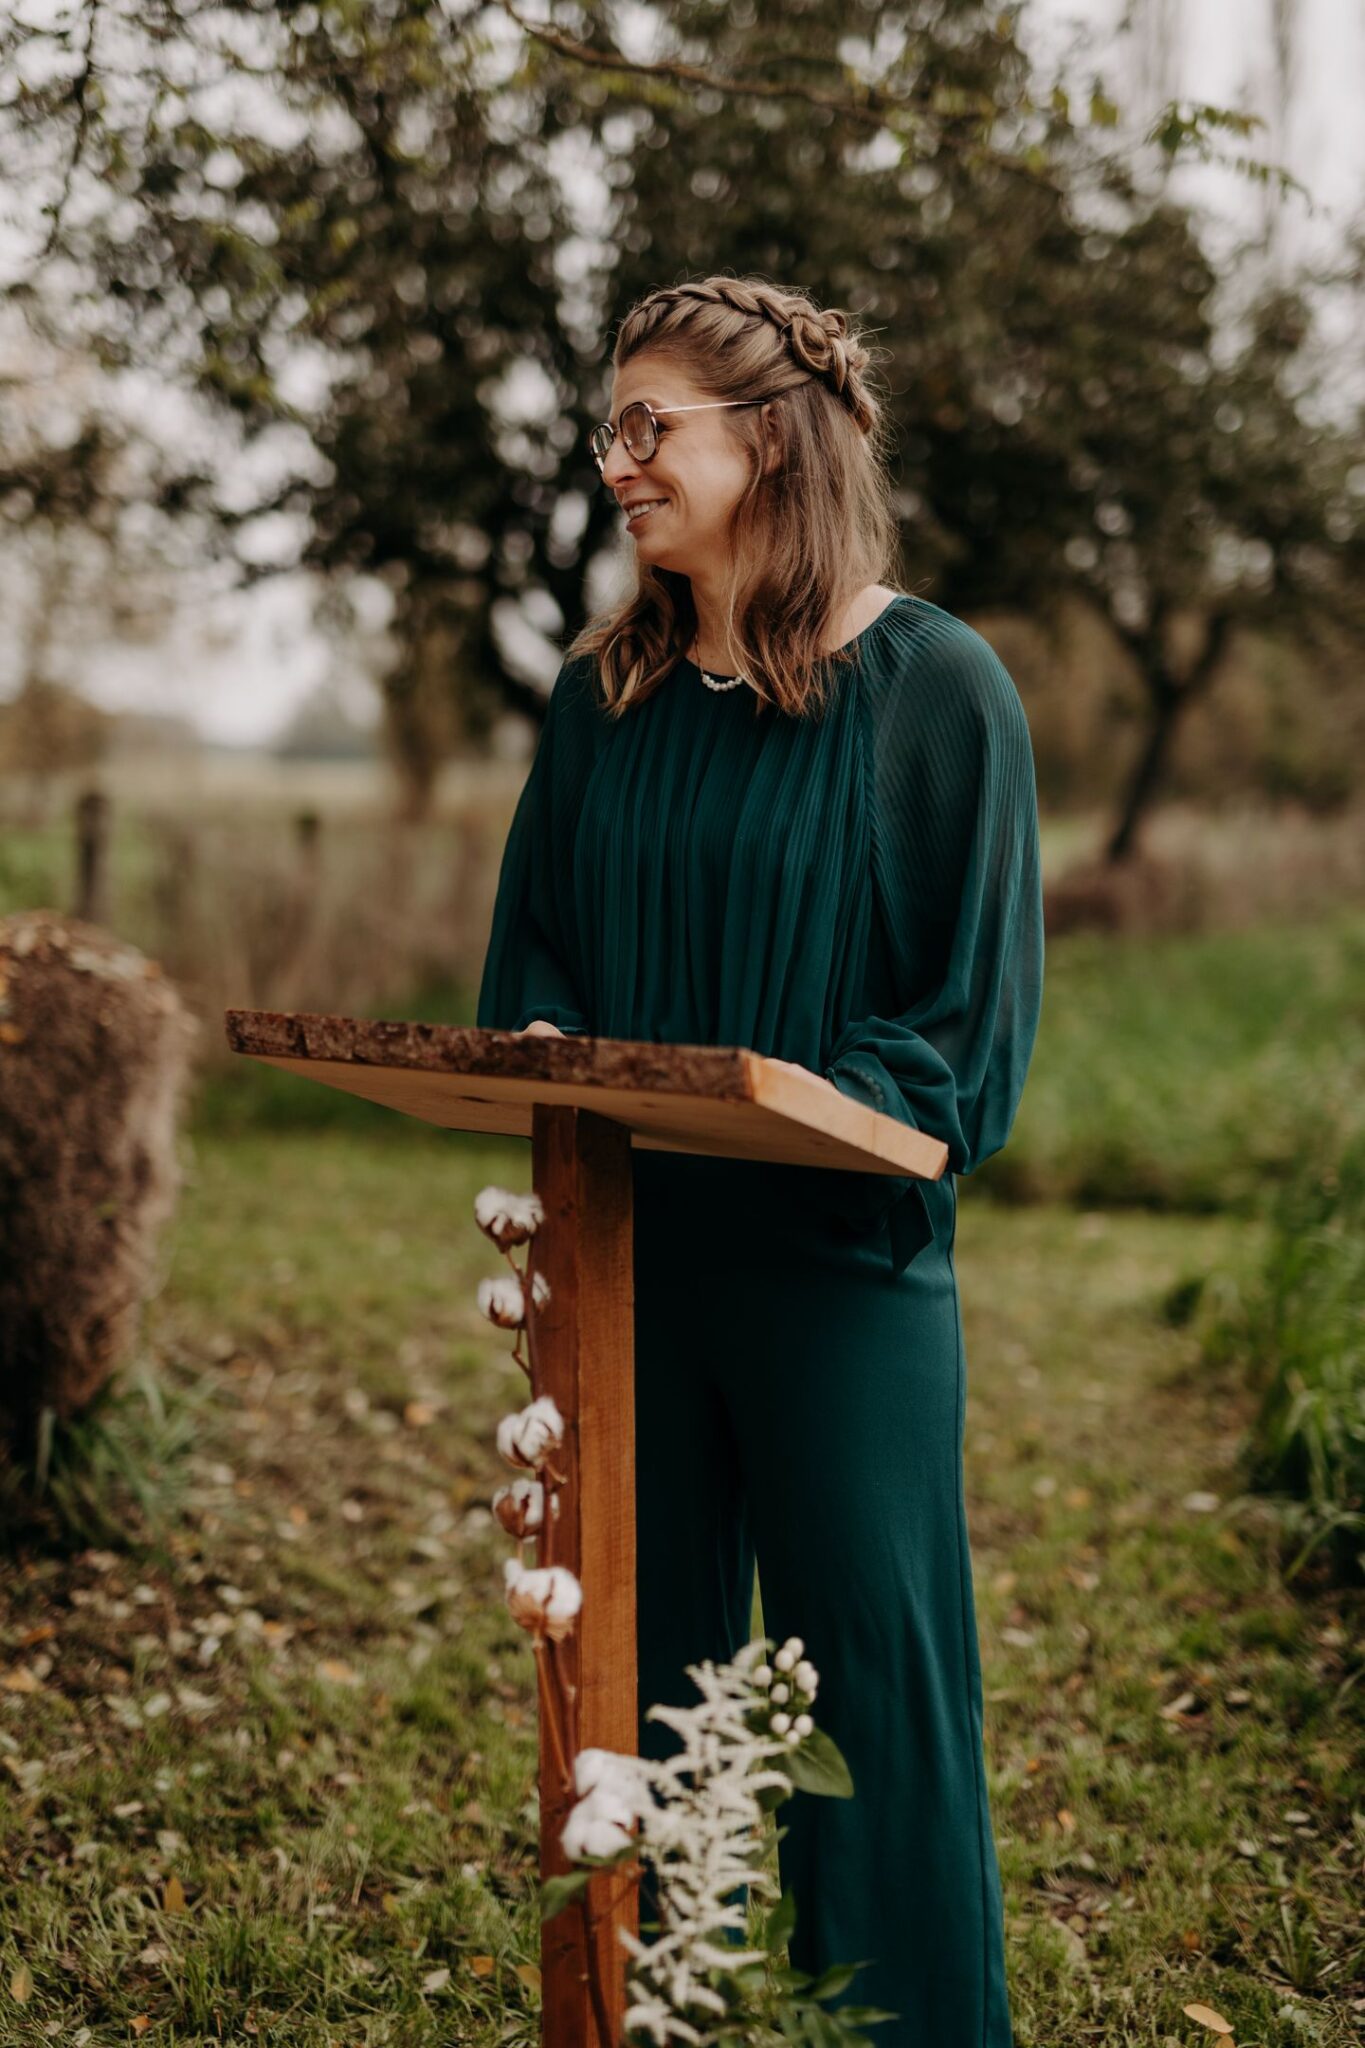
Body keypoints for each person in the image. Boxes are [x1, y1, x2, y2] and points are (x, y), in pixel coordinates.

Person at [476, 274, 1044, 2046]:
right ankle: (665, 2018)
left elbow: (959, 1032)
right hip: (628, 1270)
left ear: (770, 436)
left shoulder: (932, 689)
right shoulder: (604, 699)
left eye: (649, 426)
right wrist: (561, 1051)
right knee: (632, 1699)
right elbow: (537, 962)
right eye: (607, 431)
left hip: (838, 1282)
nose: (616, 464)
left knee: (866, 1705)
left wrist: (772, 1098)